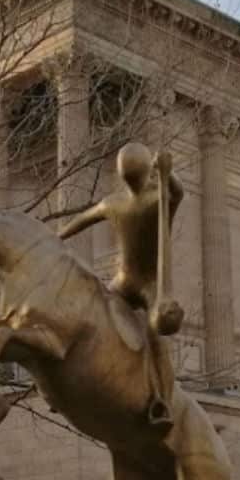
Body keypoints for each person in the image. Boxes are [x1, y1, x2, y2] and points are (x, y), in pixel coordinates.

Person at [58, 142, 184, 426]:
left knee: (152, 336)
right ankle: (156, 399)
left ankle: (163, 400)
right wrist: (168, 173)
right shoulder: (147, 200)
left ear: (121, 175)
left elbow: (80, 221)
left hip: (143, 285)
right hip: (131, 282)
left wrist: (55, 237)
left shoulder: (127, 202)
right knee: (147, 337)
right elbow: (178, 193)